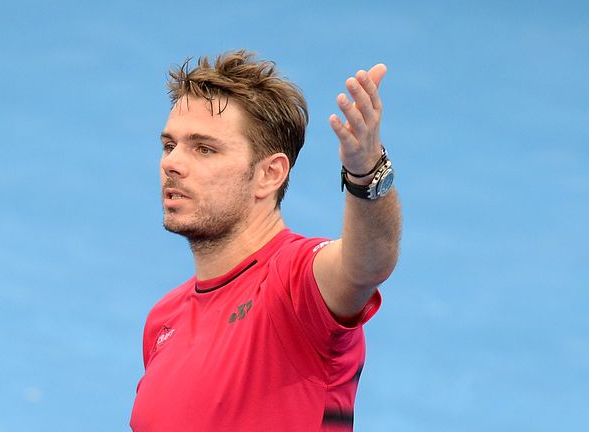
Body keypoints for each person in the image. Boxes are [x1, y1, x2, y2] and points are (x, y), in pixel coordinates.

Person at [130, 50, 402, 431]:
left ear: (269, 174)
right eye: (169, 145)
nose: (172, 163)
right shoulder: (163, 320)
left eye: (204, 149)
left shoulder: (294, 283)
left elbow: (366, 265)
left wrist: (367, 173)